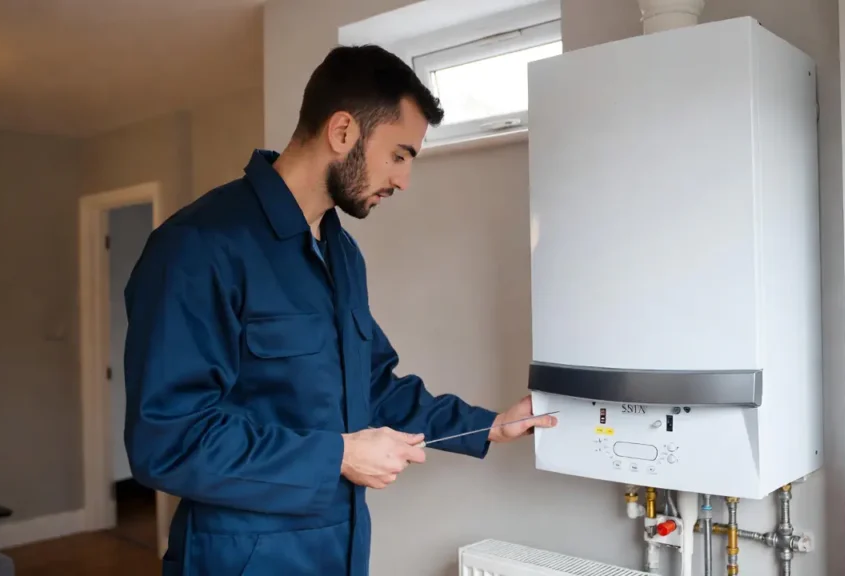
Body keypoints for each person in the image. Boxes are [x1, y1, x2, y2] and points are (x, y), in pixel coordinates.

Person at [122, 44, 557, 576]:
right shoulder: (198, 246)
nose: (404, 180)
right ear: (343, 131)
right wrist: (339, 456)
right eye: (398, 155)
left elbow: (372, 387)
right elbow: (167, 441)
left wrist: (489, 426)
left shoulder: (341, 253)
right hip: (240, 559)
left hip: (342, 549)